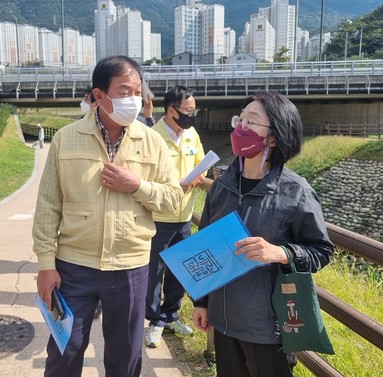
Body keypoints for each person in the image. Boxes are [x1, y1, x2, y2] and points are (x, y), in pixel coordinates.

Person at [32, 55, 183, 377]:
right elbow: (48, 205)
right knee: (64, 350)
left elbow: (172, 201)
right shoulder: (67, 138)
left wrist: (138, 186)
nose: (135, 99)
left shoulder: (153, 142)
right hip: (74, 266)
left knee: (125, 353)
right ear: (99, 96)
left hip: (130, 266)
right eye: (125, 91)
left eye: (138, 91)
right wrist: (46, 264)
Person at [192, 91, 334, 377]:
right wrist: (202, 302)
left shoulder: (295, 191)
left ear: (274, 136)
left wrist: (281, 253)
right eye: (239, 119)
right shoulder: (222, 186)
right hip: (223, 321)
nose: (240, 127)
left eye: (251, 121)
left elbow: (320, 250)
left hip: (268, 328)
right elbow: (204, 247)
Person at [144, 85, 205, 348]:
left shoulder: (192, 135)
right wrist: (174, 185)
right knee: (153, 272)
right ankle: (154, 321)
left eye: (194, 110)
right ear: (171, 110)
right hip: (158, 216)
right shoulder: (151, 136)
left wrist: (199, 177)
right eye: (188, 110)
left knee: (180, 270)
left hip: (184, 215)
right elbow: (143, 179)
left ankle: (171, 316)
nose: (192, 115)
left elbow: (201, 162)